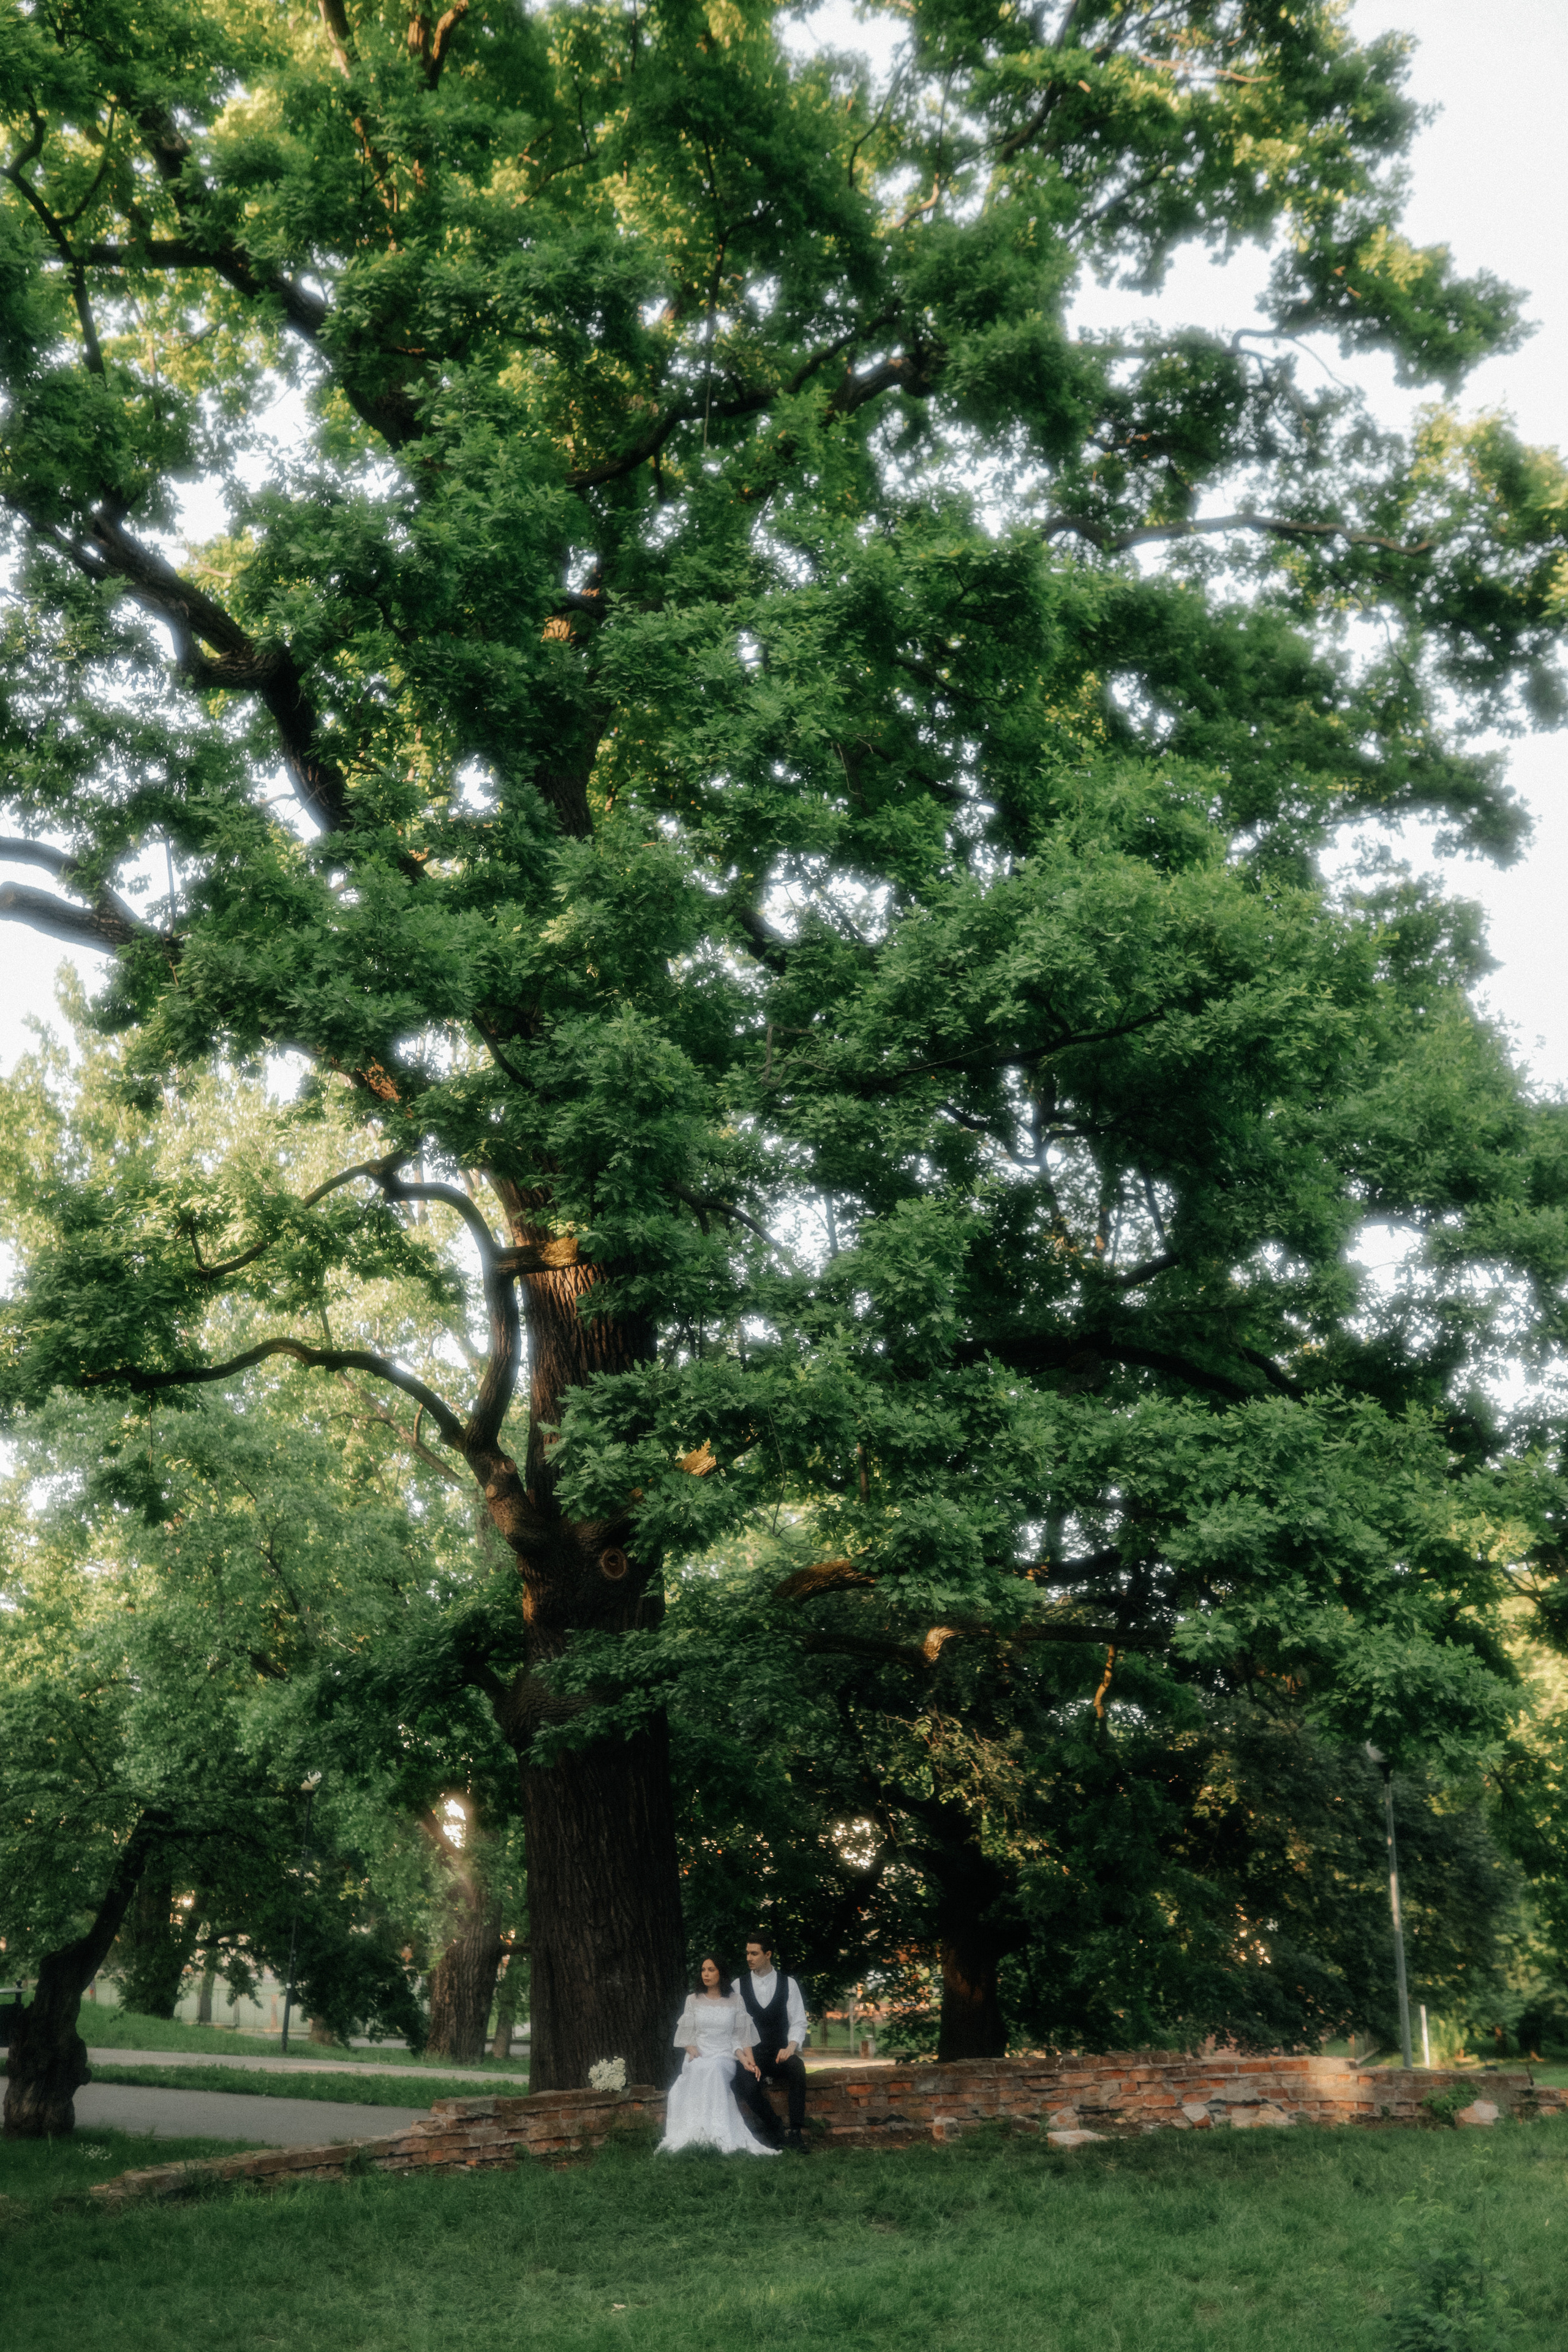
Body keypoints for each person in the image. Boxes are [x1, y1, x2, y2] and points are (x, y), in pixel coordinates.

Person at [657, 1956, 780, 2157]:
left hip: (724, 2056)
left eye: (711, 1970)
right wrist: (691, 2048)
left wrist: (748, 2060)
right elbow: (686, 2035)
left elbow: (740, 2036)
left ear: (720, 1973)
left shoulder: (735, 2000)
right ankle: (697, 2133)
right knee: (699, 2068)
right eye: (704, 1970)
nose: (706, 1974)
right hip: (699, 2054)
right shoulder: (693, 2000)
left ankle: (718, 2134)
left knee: (713, 2069)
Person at [729, 1931, 810, 2153]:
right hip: (752, 2056)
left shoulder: (788, 1984)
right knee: (745, 2084)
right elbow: (734, 2027)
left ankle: (795, 2132)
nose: (749, 1958)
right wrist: (746, 2059)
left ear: (768, 1954)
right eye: (747, 1953)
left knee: (797, 2069)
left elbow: (799, 2022)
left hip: (779, 2053)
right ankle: (775, 2128)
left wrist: (791, 2048)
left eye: (754, 1953)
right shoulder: (738, 1985)